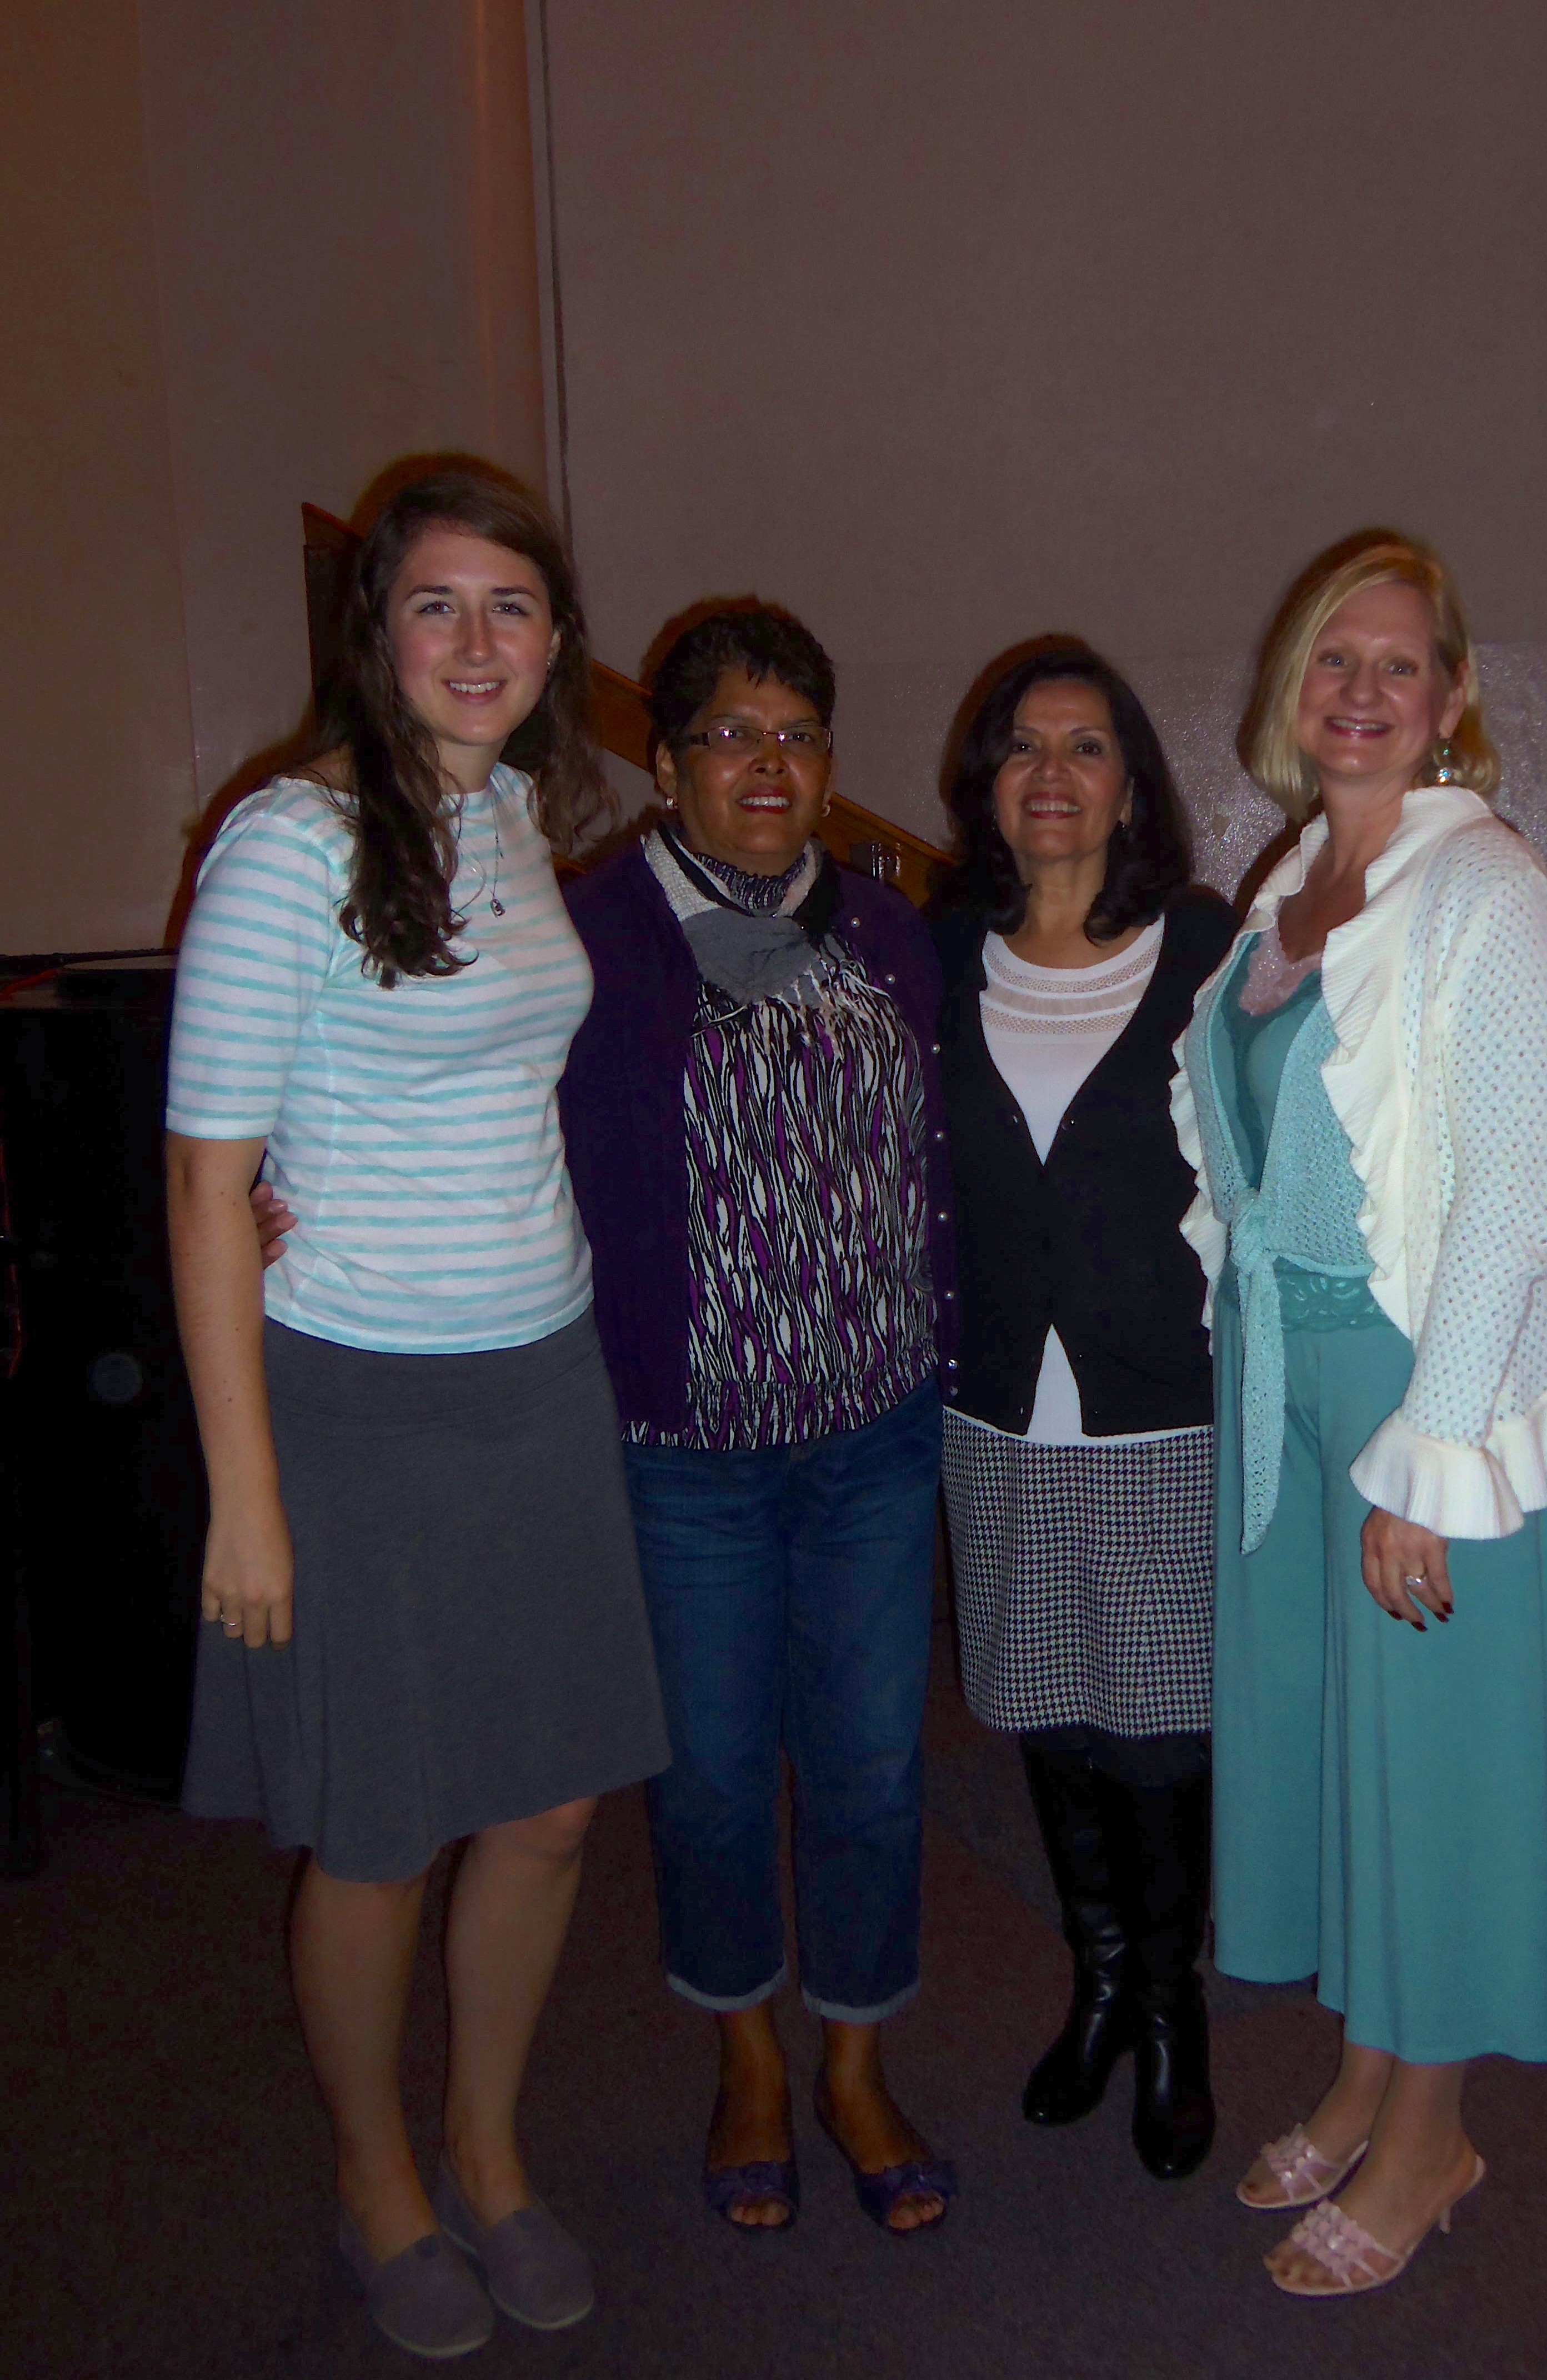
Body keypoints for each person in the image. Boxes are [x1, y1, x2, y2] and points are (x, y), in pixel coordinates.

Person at [168, 467, 668, 2361]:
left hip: (538, 1380)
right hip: (353, 1398)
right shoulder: (286, 846)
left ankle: (488, 2148)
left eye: (514, 608)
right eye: (438, 607)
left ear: (557, 642)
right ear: (377, 637)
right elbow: (210, 1182)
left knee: (544, 1809)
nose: (479, 644)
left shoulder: (529, 815)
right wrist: (246, 1498)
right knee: (378, 1827)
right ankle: (378, 2177)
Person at [1171, 530, 1547, 2296]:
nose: (1362, 692)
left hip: (1431, 1389)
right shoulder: (1289, 889)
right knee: (1335, 1741)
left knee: (1428, 1770)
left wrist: (1429, 1460)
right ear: (1294, 693)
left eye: (1399, 664)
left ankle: (1435, 2141)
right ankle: (1369, 2076)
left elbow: (1514, 1209)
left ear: (1451, 702)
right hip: (1286, 1374)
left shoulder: (1489, 891)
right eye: (1331, 662)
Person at [557, 603, 958, 2236]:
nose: (768, 763)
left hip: (873, 1433)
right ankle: (746, 2057)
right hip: (685, 1454)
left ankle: (856, 2063)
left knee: (869, 1769)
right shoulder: (584, 934)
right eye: (729, 733)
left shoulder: (887, 931)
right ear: (664, 762)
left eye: (797, 732)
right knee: (716, 1778)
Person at [930, 646, 1235, 2181]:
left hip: (1158, 1413)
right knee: (1052, 1710)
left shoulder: (1206, 950)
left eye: (1090, 747)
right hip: (994, 1416)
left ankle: (1175, 2011)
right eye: (1024, 749)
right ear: (986, 782)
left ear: (1132, 783)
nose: (1055, 775)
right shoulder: (938, 948)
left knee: (1162, 1734)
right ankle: (1102, 1982)